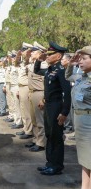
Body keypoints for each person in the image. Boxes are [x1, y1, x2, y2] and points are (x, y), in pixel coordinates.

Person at [35, 42, 71, 176]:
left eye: (50, 55)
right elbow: (37, 71)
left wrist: (64, 112)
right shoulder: (50, 70)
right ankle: (49, 163)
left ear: (58, 56)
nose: (47, 57)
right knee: (49, 135)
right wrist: (39, 60)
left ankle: (57, 166)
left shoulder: (61, 71)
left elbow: (67, 92)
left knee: (56, 136)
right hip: (49, 106)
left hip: (56, 106)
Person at [68, 46, 91, 189]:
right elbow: (68, 76)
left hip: (89, 123)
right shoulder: (82, 77)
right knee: (85, 159)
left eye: (84, 59)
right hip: (80, 121)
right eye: (79, 59)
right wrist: (71, 64)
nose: (80, 62)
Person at [26, 42, 48, 152]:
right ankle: (35, 139)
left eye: (34, 51)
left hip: (39, 93)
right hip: (31, 92)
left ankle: (41, 143)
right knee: (33, 119)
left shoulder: (43, 65)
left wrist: (43, 98)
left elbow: (46, 84)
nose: (31, 53)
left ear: (39, 53)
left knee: (40, 120)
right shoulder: (33, 65)